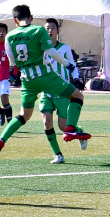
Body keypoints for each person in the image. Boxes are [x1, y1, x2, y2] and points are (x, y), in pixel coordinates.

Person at [0, 5, 91, 163]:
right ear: (31, 17)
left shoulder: (9, 37)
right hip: (45, 76)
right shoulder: (38, 30)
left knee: (24, 115)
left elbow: (13, 62)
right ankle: (70, 128)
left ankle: (1, 141)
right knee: (78, 96)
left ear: (15, 21)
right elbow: (51, 52)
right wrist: (66, 64)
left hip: (27, 80)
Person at [41, 18, 87, 164]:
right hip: (45, 91)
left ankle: (78, 131)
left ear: (57, 31)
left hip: (62, 90)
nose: (49, 30)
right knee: (47, 122)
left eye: (52, 28)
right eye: (47, 28)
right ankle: (58, 154)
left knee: (63, 126)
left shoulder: (65, 48)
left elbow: (72, 66)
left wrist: (76, 79)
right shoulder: (40, 48)